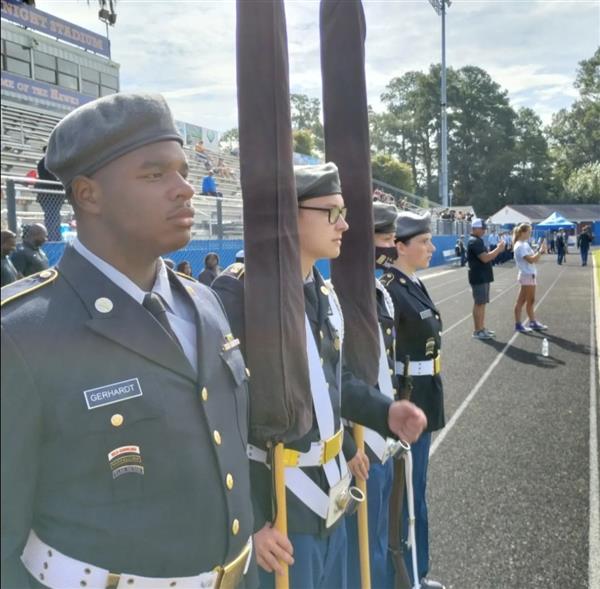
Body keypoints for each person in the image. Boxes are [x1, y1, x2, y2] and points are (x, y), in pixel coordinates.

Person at [1, 93, 256, 589]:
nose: (185, 190)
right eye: (155, 174)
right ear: (88, 195)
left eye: (183, 171)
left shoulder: (205, 302)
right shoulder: (22, 335)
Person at [213, 163, 427, 589]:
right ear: (289, 216)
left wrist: (386, 412)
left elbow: (330, 383)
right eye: (331, 212)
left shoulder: (321, 291)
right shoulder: (240, 293)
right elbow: (221, 417)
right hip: (278, 507)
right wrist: (250, 522)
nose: (344, 225)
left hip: (329, 496)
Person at [379, 211, 446, 589]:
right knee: (407, 499)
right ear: (399, 246)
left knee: (416, 494)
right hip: (407, 399)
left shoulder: (412, 284)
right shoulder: (390, 289)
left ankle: (417, 572)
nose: (431, 247)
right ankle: (406, 577)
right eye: (424, 242)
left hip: (424, 397)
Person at [346, 201, 400, 589]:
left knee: (378, 539)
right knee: (359, 552)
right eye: (385, 238)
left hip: (380, 436)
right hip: (359, 444)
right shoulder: (343, 293)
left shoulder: (378, 290)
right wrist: (350, 442)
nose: (391, 246)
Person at [467, 218, 505, 340]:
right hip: (479, 277)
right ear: (475, 228)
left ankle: (481, 328)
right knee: (479, 303)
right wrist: (498, 249)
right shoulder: (474, 241)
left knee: (482, 304)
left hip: (481, 276)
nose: (484, 231)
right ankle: (477, 330)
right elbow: (485, 258)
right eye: (482, 228)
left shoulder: (477, 240)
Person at [512, 223, 548, 333]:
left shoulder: (524, 244)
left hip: (528, 274)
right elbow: (531, 260)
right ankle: (531, 322)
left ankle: (523, 323)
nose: (530, 233)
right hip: (527, 275)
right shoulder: (520, 245)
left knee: (523, 301)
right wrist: (540, 251)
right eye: (529, 231)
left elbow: (535, 259)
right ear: (522, 232)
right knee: (529, 301)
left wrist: (541, 251)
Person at [36, 146, 65, 242]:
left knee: (54, 217)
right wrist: (63, 183)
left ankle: (56, 237)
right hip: (48, 194)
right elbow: (52, 179)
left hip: (54, 195)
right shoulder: (45, 163)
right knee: (51, 217)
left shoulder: (51, 163)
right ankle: (53, 238)